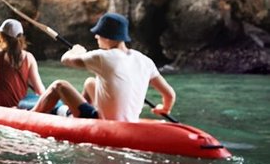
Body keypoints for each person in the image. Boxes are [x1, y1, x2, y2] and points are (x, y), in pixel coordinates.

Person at [32, 12, 176, 121]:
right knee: (90, 82)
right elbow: (169, 94)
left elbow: (65, 60)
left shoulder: (103, 57)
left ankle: (30, 116)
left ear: (107, 37)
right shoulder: (144, 60)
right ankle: (75, 118)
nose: (96, 37)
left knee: (59, 86)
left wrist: (76, 51)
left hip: (103, 121)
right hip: (130, 121)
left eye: (98, 34)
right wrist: (164, 108)